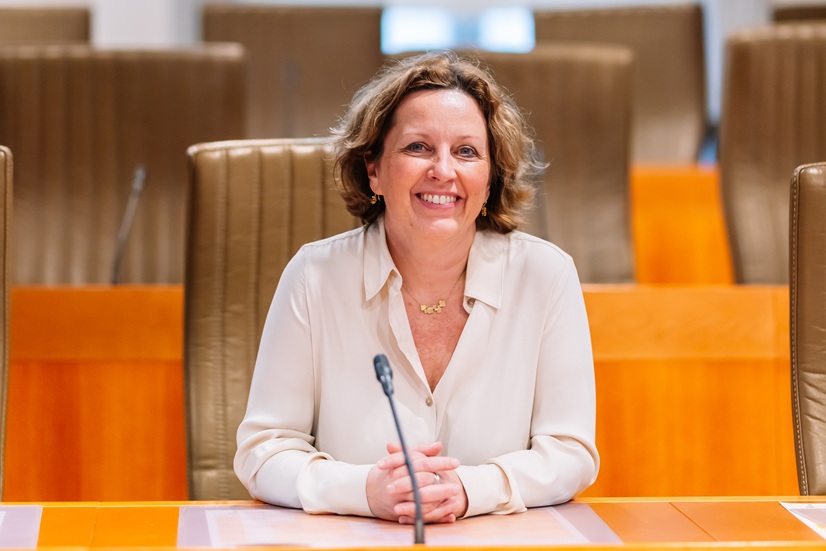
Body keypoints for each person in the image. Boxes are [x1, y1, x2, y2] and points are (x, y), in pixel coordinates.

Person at [234, 50, 598, 524]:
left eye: (466, 152)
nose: (443, 170)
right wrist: (365, 491)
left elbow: (571, 451)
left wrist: (468, 489)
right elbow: (264, 451)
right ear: (374, 169)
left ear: (490, 180)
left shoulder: (545, 276)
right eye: (418, 147)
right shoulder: (314, 277)